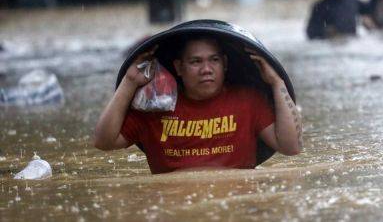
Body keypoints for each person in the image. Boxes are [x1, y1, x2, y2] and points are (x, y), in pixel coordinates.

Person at [93, 37, 302, 174]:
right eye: (195, 62)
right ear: (179, 67)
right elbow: (104, 141)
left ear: (225, 64)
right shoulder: (155, 107)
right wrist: (129, 82)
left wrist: (277, 82)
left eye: (214, 60)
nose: (206, 69)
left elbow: (291, 147)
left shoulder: (249, 101)